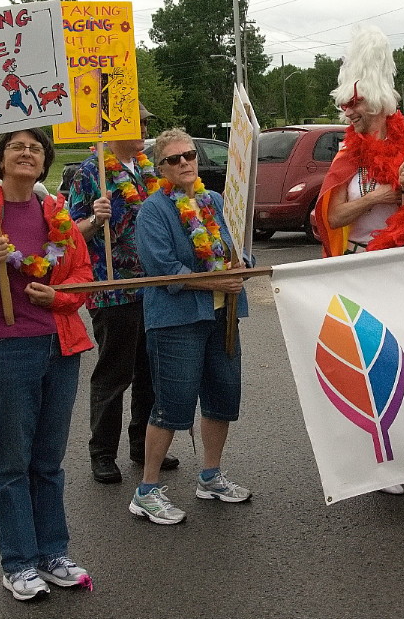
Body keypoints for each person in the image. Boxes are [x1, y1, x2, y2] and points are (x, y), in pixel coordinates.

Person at [0, 128, 95, 600]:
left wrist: (60, 296)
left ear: (44, 161)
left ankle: (52, 553)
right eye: (16, 148)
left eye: (35, 148)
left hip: (59, 347)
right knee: (12, 462)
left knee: (48, 462)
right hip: (5, 351)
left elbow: (84, 275)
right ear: (0, 161)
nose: (27, 154)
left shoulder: (56, 214)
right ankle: (18, 562)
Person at [314, 24, 404, 495]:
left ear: (378, 105)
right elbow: (334, 213)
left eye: (357, 105)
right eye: (348, 105)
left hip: (403, 265)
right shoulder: (347, 154)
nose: (351, 113)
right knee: (370, 359)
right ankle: (378, 454)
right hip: (362, 265)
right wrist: (381, 194)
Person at [129, 128, 252, 525]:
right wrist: (218, 280)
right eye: (174, 159)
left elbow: (235, 248)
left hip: (222, 315)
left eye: (190, 155)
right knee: (172, 406)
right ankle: (146, 492)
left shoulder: (214, 200)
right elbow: (163, 270)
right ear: (160, 166)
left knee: (223, 396)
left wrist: (242, 265)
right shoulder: (152, 210)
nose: (184, 163)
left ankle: (211, 477)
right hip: (176, 320)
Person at [67, 103, 180, 485]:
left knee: (151, 371)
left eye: (148, 120)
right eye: (140, 121)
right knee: (115, 373)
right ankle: (102, 452)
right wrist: (94, 220)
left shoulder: (147, 170)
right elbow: (68, 235)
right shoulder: (90, 172)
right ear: (116, 127)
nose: (147, 126)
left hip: (152, 286)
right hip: (113, 287)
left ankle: (142, 446)